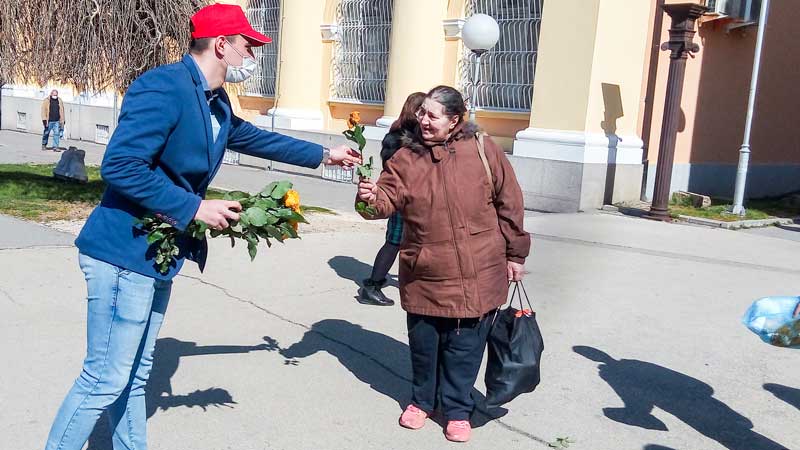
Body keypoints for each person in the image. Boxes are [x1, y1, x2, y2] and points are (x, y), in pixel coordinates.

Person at [43, 4, 360, 450]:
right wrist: (193, 207)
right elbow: (120, 166)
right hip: (121, 253)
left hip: (156, 255)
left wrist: (325, 155)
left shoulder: (216, 101)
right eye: (248, 46)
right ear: (222, 45)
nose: (252, 56)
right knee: (104, 379)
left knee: (134, 375)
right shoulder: (163, 87)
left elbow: (255, 138)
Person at [357, 85, 530, 442]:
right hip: (425, 271)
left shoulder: (483, 149)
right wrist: (369, 198)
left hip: (479, 269)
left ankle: (457, 410)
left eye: (432, 115)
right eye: (422, 112)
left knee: (465, 348)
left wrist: (516, 253)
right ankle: (421, 401)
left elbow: (510, 201)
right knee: (424, 345)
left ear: (454, 120)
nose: (423, 120)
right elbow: (384, 202)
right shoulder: (406, 158)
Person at [359, 92, 426, 306]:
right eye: (423, 111)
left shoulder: (399, 131)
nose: (426, 117)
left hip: (401, 194)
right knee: (394, 241)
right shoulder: (406, 137)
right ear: (416, 111)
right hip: (401, 195)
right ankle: (372, 286)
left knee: (400, 240)